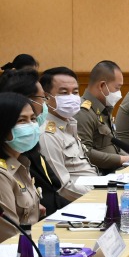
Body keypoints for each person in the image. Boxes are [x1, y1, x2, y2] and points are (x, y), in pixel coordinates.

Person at [0, 69, 70, 215]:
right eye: (42, 98)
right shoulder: (6, 169)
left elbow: (51, 192)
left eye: (32, 119)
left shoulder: (24, 158)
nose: (45, 104)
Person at [38, 67, 99, 201]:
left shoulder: (69, 124)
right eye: (64, 93)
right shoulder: (47, 134)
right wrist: (100, 197)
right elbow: (63, 187)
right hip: (80, 202)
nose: (71, 97)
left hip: (94, 188)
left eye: (75, 92)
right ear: (46, 97)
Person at [74, 61, 129, 174]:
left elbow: (114, 146)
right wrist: (122, 160)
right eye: (117, 88)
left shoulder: (103, 109)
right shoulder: (83, 112)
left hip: (116, 170)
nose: (119, 93)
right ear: (102, 85)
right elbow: (85, 152)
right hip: (101, 175)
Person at [0, 92, 43, 242]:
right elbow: (10, 235)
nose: (31, 125)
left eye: (33, 119)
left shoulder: (22, 163)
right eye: (22, 121)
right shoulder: (2, 174)